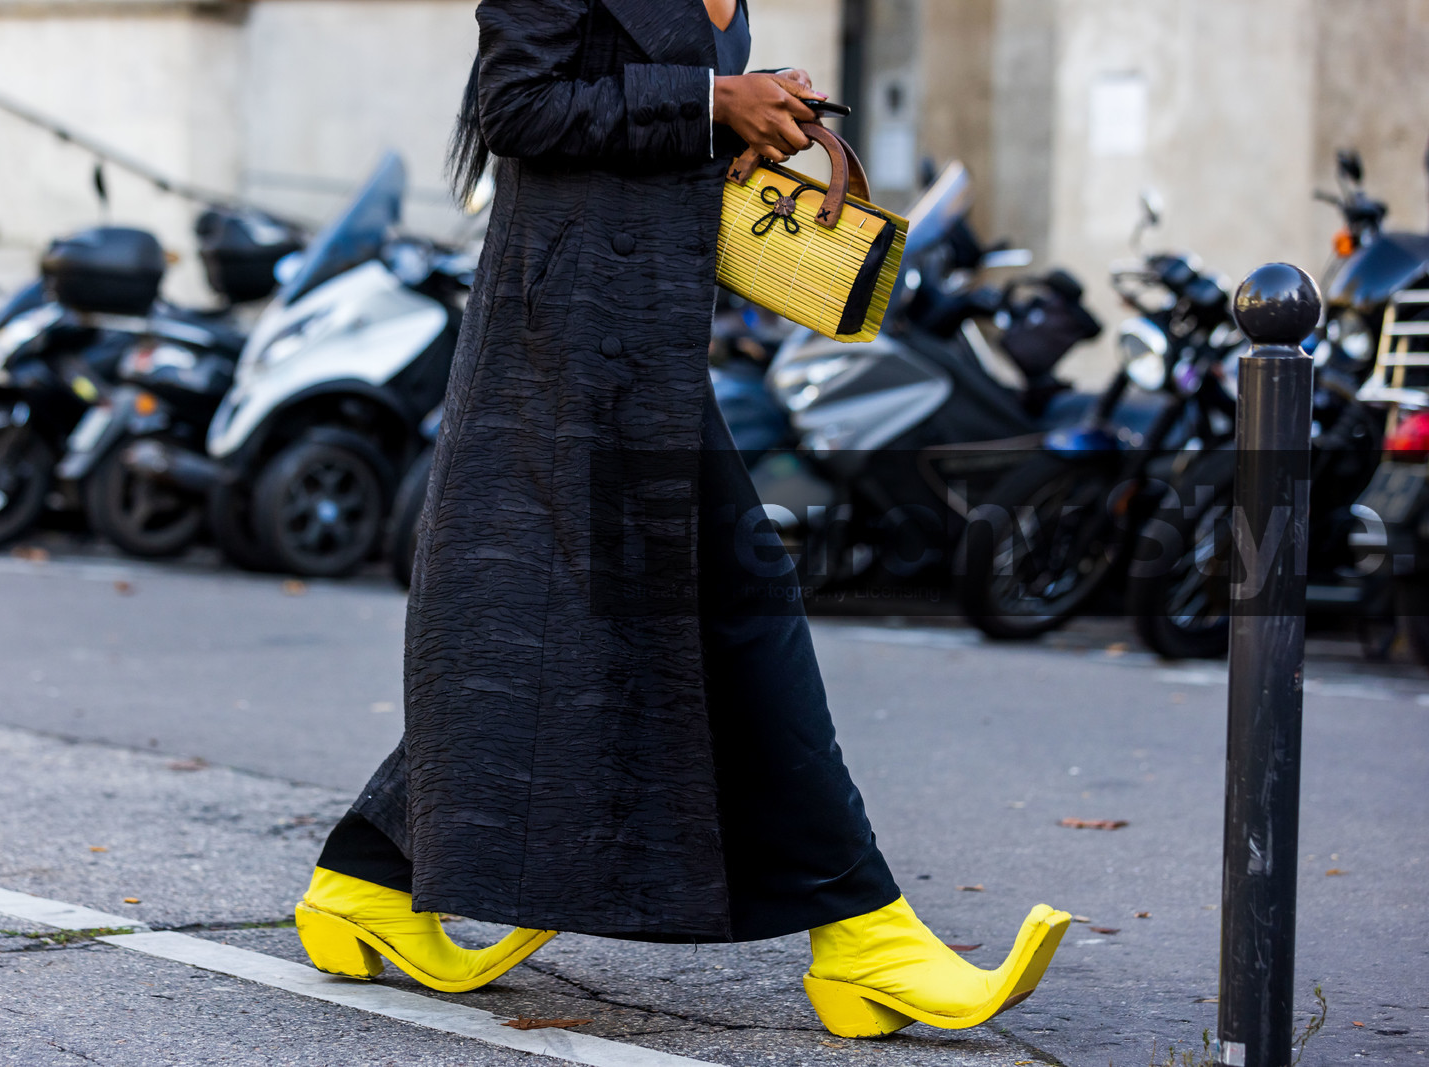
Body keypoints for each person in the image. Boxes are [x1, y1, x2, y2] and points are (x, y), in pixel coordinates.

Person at [295, 0, 1070, 1038]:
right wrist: (711, 99)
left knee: (582, 627)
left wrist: (756, 106)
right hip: (564, 340)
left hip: (654, 340)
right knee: (740, 607)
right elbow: (515, 106)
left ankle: (365, 878)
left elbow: (649, 100)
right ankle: (865, 936)